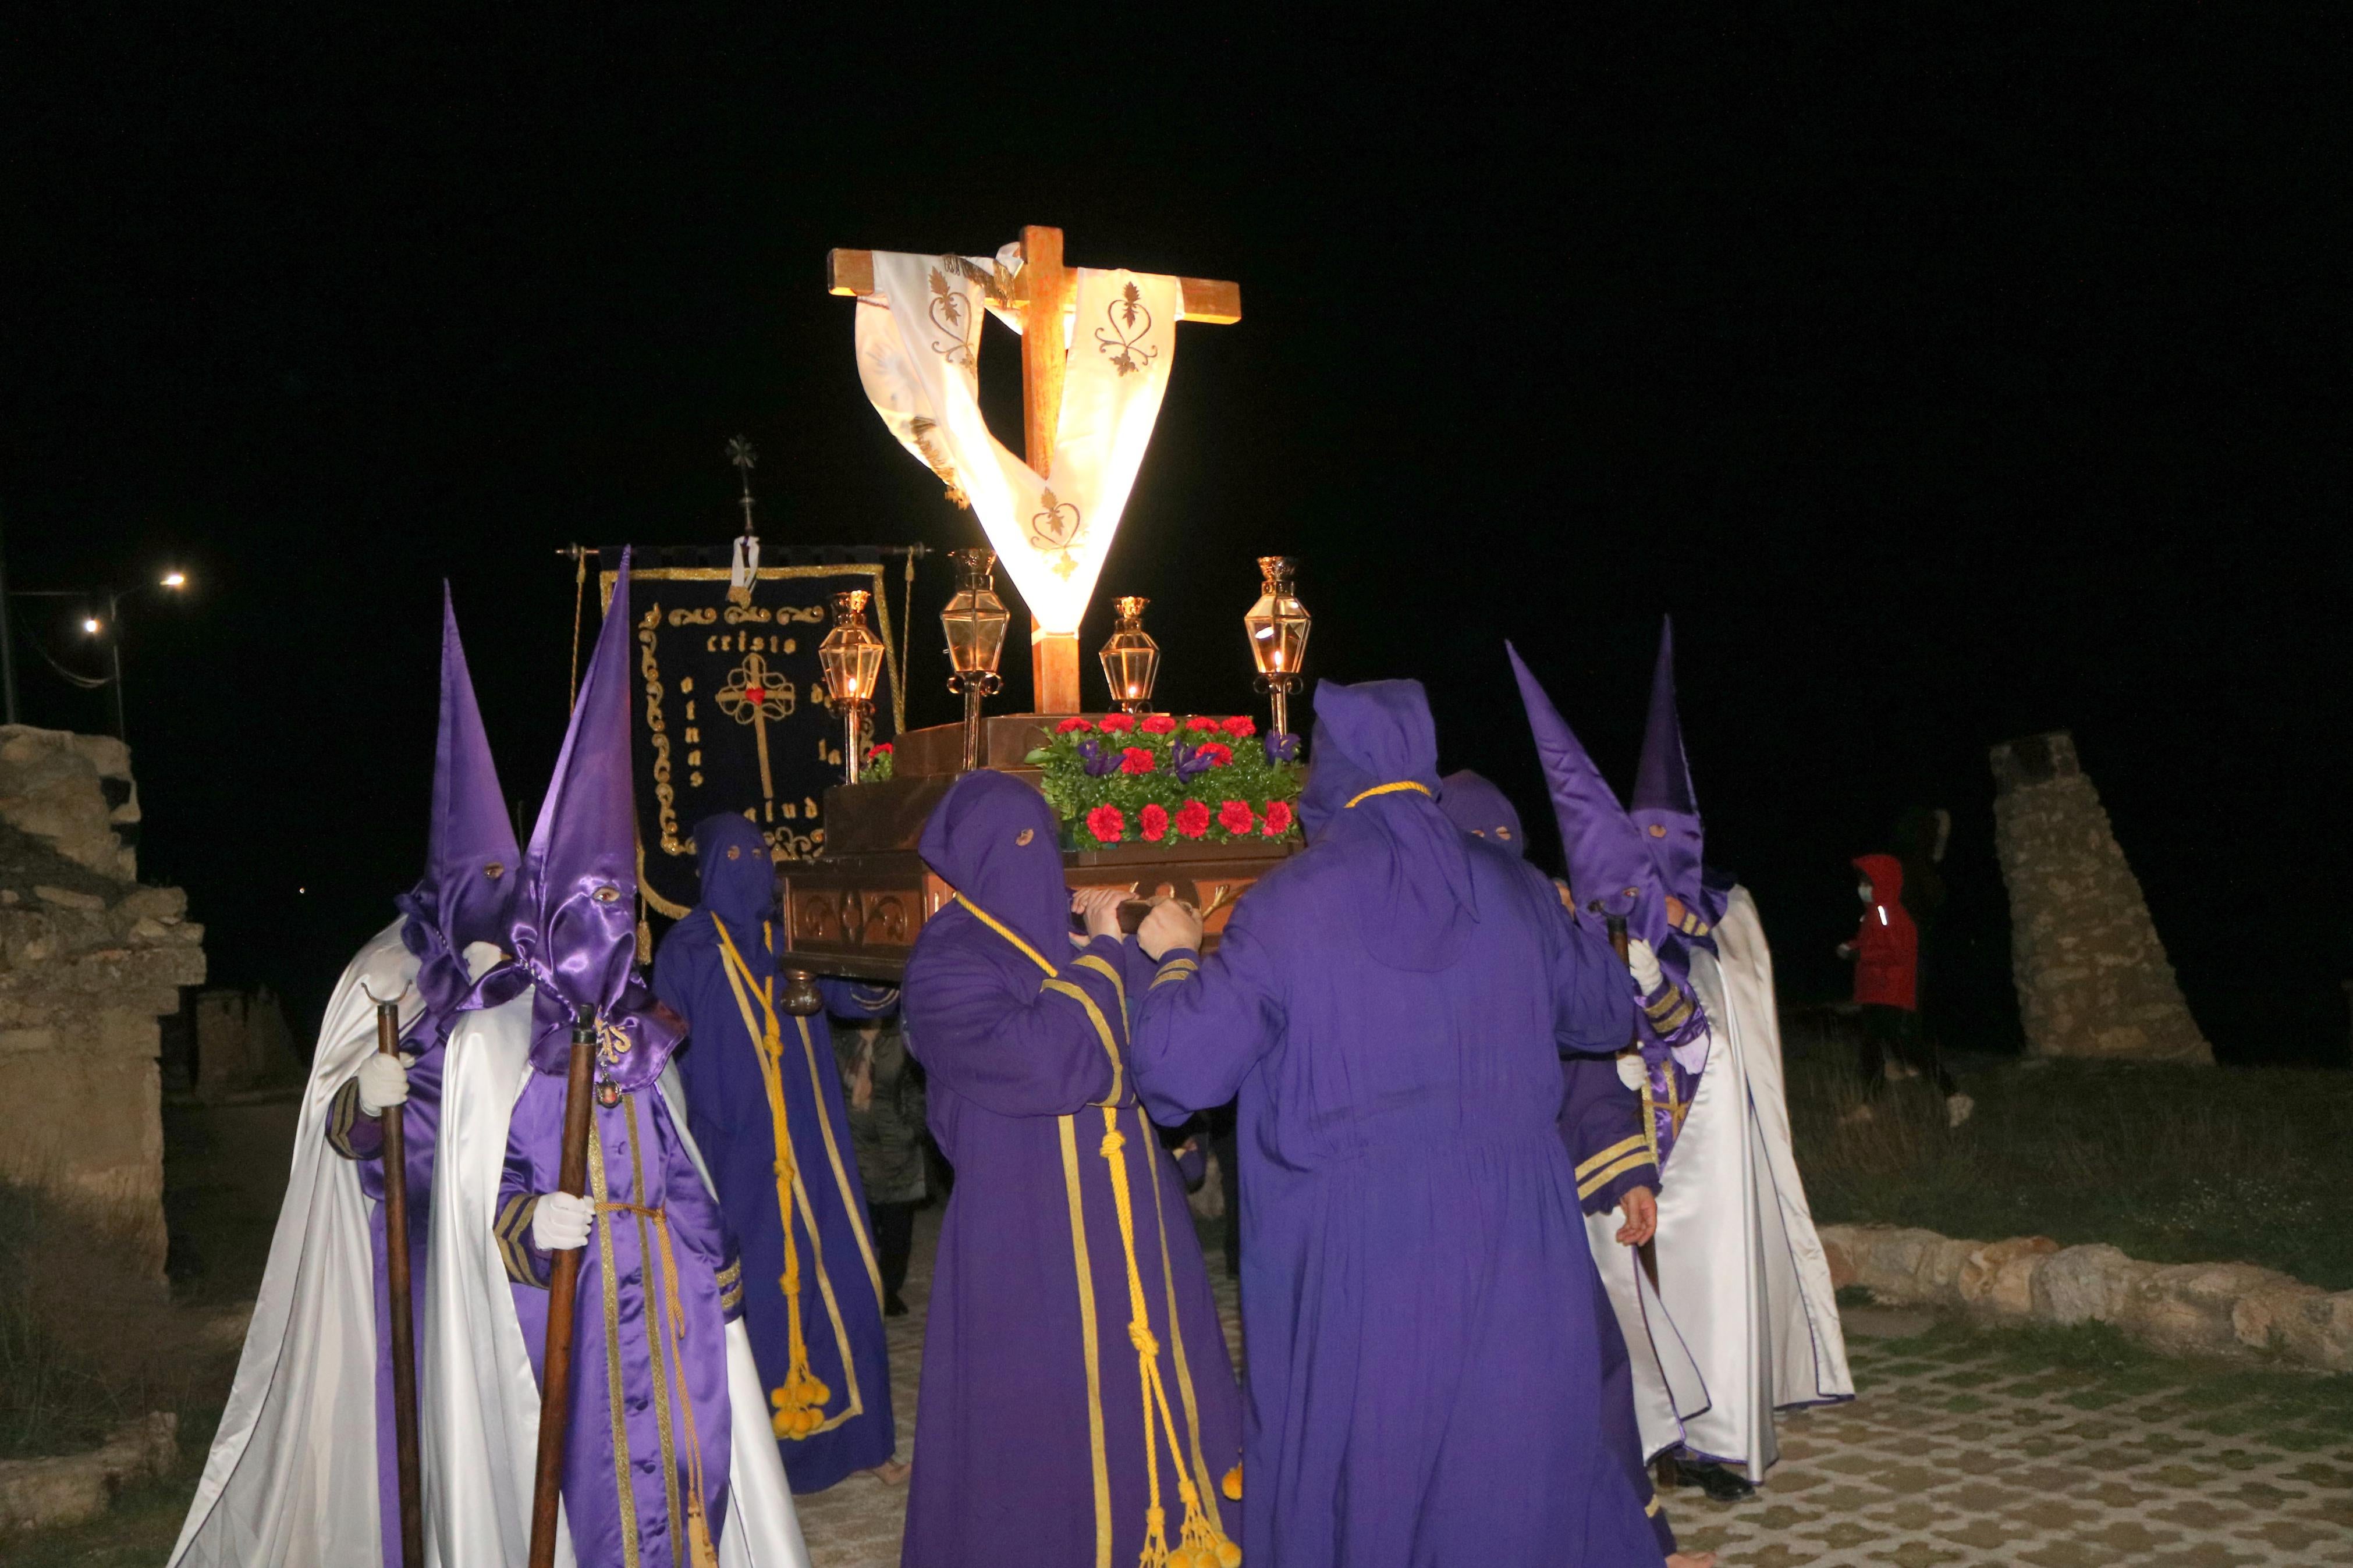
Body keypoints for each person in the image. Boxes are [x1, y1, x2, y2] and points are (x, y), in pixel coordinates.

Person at [1127, 678, 1677, 1568]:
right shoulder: (1514, 887)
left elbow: (1176, 1068)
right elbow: (1605, 1011)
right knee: (1508, 1446)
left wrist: (1175, 959)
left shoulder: (1285, 905)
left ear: (1329, 769)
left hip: (1358, 1243)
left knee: (1371, 1453)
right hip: (1513, 1233)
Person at [421, 552, 809, 1568]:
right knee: (589, 1479)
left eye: (620, 902)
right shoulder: (495, 1039)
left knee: (689, 1465)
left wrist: (713, 1250)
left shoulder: (637, 1031)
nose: (612, 921)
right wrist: (522, 1220)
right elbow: (468, 1182)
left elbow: (672, 1155)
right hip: (571, 1298)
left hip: (669, 1294)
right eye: (589, 903)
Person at [171, 588, 525, 1568]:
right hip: (401, 1248)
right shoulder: (384, 970)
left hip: (504, 1244)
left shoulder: (533, 971)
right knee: (413, 1433)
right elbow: (336, 1126)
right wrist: (361, 1101)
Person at [1514, 629, 1852, 1498]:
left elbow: (1719, 1024)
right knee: (1626, 1295)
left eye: (1671, 834)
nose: (1656, 855)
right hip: (1607, 1135)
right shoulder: (1574, 917)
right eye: (1643, 838)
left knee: (1702, 1283)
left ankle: (1711, 1436)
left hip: (1702, 1139)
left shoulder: (1724, 913)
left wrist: (1664, 971)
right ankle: (1637, 1439)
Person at [899, 769, 1243, 1568]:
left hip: (1136, 1210)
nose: (1038, 861)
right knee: (1041, 1420)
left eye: (1043, 841)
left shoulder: (1071, 937)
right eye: (1016, 844)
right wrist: (1109, 955)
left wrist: (1165, 959)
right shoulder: (946, 959)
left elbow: (1161, 1061)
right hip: (1024, 1223)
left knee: (1158, 1389)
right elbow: (1045, 1062)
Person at [1438, 768, 1690, 1565]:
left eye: (1504, 844)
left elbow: (1588, 1067)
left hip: (1533, 1206)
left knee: (1586, 1368)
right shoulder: (1415, 939)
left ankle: (1635, 1543)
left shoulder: (1542, 924)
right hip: (1436, 1213)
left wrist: (1627, 1175)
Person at [655, 812, 902, 1492]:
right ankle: (757, 1469)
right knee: (752, 1294)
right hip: (731, 1152)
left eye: (759, 853)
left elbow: (857, 995)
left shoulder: (793, 930)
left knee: (848, 1276)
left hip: (813, 1141)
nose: (750, 866)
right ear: (707, 869)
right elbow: (664, 1051)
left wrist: (868, 949)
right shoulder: (687, 948)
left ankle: (863, 1443)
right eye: (732, 856)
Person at [1841, 852, 1972, 1126]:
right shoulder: (1874, 913)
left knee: (1908, 1049)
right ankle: (1868, 1105)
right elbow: (1869, 943)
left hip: (1891, 992)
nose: (1862, 888)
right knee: (1871, 1048)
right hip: (1875, 991)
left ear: (1882, 882)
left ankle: (1955, 1095)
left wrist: (1861, 955)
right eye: (1862, 882)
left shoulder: (1889, 913)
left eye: (1868, 882)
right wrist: (1852, 948)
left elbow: (1897, 953)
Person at [832, 1009, 925, 1316]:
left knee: (898, 1224)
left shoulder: (898, 1038)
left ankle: (889, 1288)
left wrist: (912, 1129)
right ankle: (864, 1288)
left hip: (895, 1142)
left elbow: (914, 1086)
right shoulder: (840, 1038)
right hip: (855, 1142)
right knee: (863, 1221)